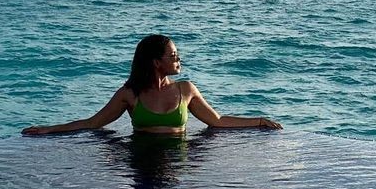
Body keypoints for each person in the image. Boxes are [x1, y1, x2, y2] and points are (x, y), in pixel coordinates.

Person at [21, 34, 283, 135]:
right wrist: (48, 129)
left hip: (176, 158)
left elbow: (217, 120)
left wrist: (259, 121)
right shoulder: (130, 94)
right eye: (173, 56)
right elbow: (93, 122)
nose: (178, 59)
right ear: (156, 62)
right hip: (141, 156)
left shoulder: (185, 89)